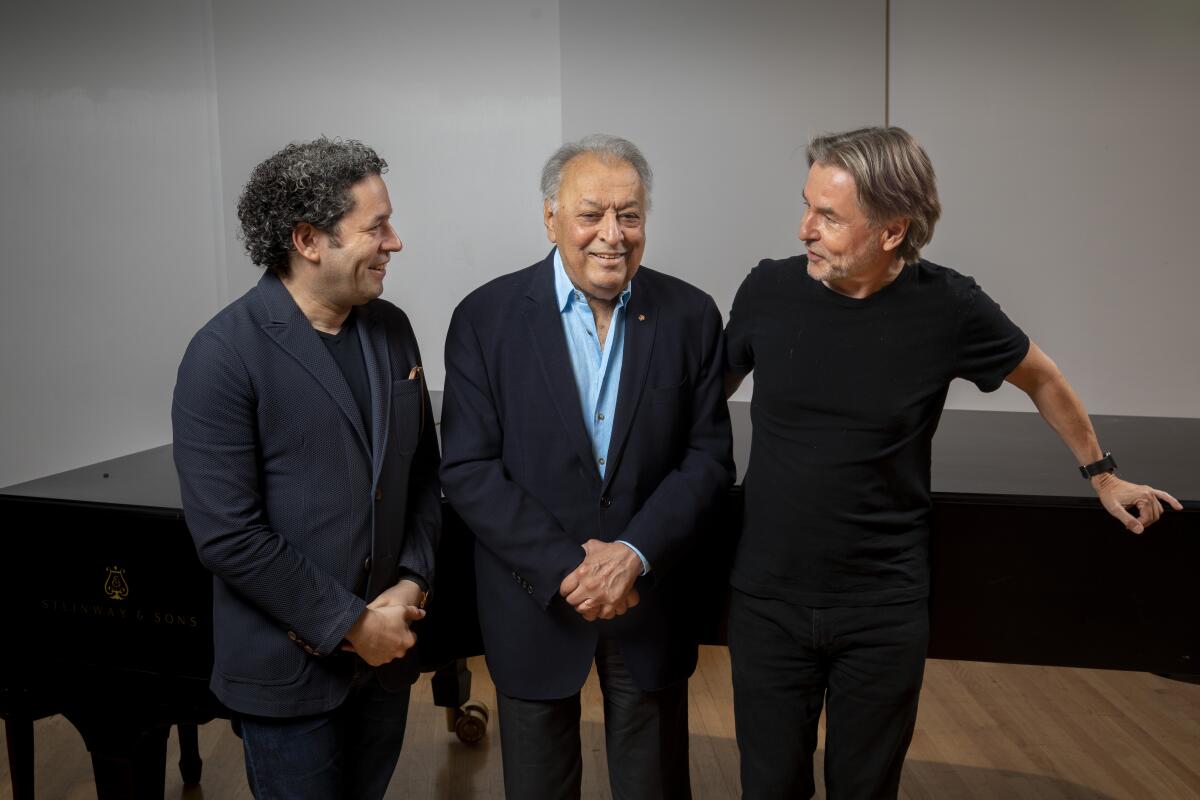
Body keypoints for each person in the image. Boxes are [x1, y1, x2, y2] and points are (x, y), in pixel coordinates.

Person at [724, 126, 1181, 800]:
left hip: (882, 606)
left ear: (890, 230)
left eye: (827, 215)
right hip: (767, 599)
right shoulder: (768, 290)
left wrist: (1103, 474)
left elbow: (1044, 379)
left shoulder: (949, 306)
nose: (804, 229)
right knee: (769, 788)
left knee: (864, 788)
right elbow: (698, 404)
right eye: (806, 205)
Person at [439, 133, 734, 799]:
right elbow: (469, 469)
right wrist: (571, 569)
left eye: (629, 216)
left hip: (646, 592)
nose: (613, 235)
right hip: (536, 598)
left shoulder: (690, 315)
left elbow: (709, 459)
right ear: (551, 219)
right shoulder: (485, 319)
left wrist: (631, 553)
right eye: (590, 213)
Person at [172, 137, 440, 799]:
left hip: (385, 660)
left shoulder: (394, 329)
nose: (395, 242)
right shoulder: (221, 357)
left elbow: (425, 480)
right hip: (288, 676)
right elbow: (229, 536)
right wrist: (355, 626)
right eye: (376, 227)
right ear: (308, 240)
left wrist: (411, 585)